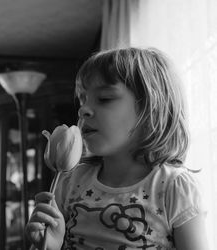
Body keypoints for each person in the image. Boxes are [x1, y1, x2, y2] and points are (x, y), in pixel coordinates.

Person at [25, 47, 208, 250]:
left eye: (104, 99)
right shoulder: (70, 182)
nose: (82, 109)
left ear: (150, 110)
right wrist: (48, 246)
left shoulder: (174, 187)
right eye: (83, 99)